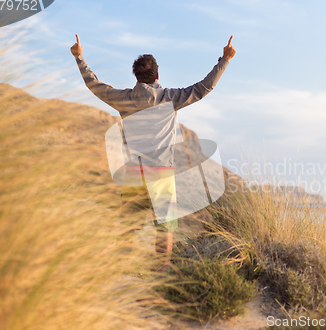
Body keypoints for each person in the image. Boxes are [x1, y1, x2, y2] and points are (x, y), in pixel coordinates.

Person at [70, 34, 236, 270]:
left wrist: (79, 57)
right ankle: (161, 270)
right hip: (161, 172)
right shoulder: (170, 98)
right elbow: (204, 87)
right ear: (157, 75)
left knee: (128, 225)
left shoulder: (123, 99)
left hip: (133, 173)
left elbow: (93, 84)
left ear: (136, 75)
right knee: (165, 227)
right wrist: (225, 60)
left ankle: (120, 271)